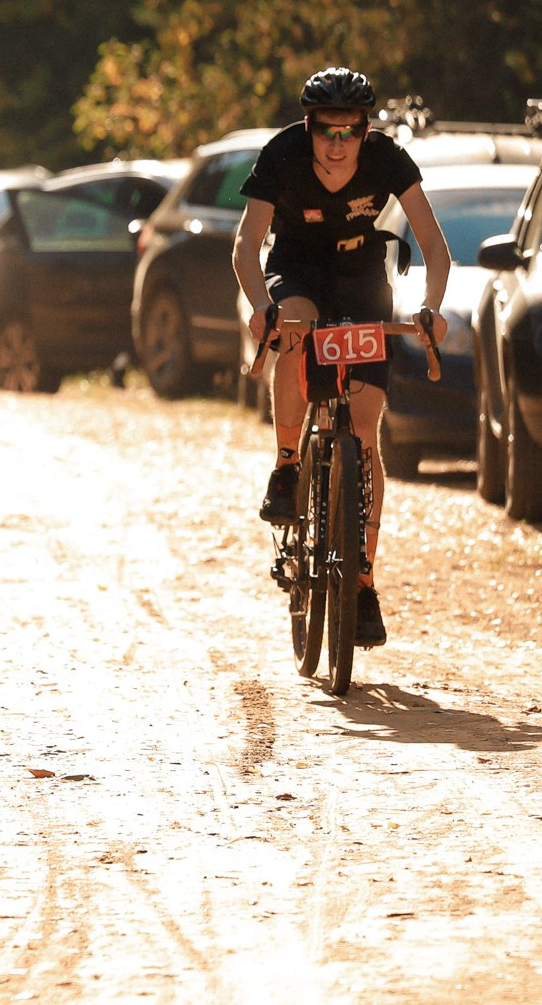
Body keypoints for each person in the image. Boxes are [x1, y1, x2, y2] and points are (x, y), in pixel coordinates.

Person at [233, 67, 448, 648]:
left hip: (360, 278)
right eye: (326, 131)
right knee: (296, 332)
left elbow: (433, 245)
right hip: (296, 272)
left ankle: (362, 582)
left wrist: (429, 306)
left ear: (365, 130)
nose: (337, 144)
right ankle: (285, 463)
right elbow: (247, 246)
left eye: (349, 132)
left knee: (365, 431)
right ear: (308, 128)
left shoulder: (388, 160)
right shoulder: (281, 156)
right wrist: (261, 307)